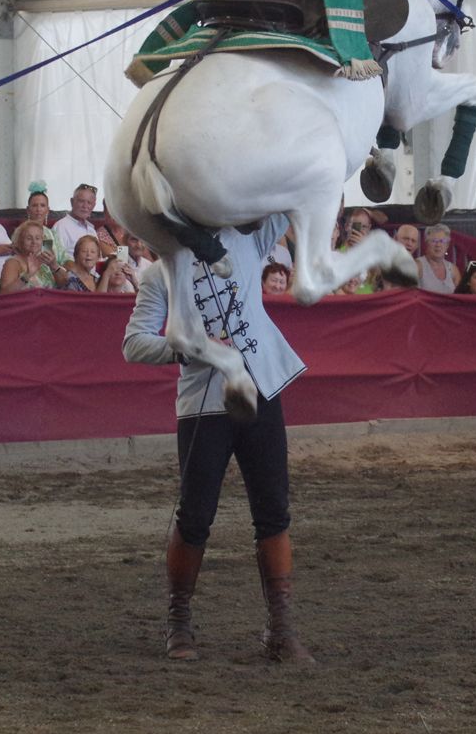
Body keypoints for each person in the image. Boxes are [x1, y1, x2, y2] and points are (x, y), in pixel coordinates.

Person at [122, 215, 314, 664]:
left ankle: (281, 629)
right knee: (195, 515)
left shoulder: (245, 241)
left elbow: (283, 196)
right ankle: (178, 620)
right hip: (203, 406)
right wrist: (189, 345)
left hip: (259, 389)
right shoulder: (159, 272)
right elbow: (133, 344)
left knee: (274, 511)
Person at [0, 220, 70, 292]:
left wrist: (54, 265)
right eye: (29, 238)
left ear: (43, 240)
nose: (34, 242)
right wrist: (27, 275)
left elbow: (65, 285)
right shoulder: (12, 263)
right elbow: (4, 293)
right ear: (20, 240)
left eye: (38, 238)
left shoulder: (45, 260)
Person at [53, 183, 110, 259]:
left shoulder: (91, 229)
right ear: (72, 202)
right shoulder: (61, 227)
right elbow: (57, 260)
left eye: (89, 203)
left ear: (93, 206)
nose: (85, 206)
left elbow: (98, 259)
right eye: (81, 201)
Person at [416, 224, 461, 294]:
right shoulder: (417, 266)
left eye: (442, 241)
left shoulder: (453, 270)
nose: (438, 245)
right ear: (426, 243)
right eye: (434, 241)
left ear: (447, 245)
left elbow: (460, 297)